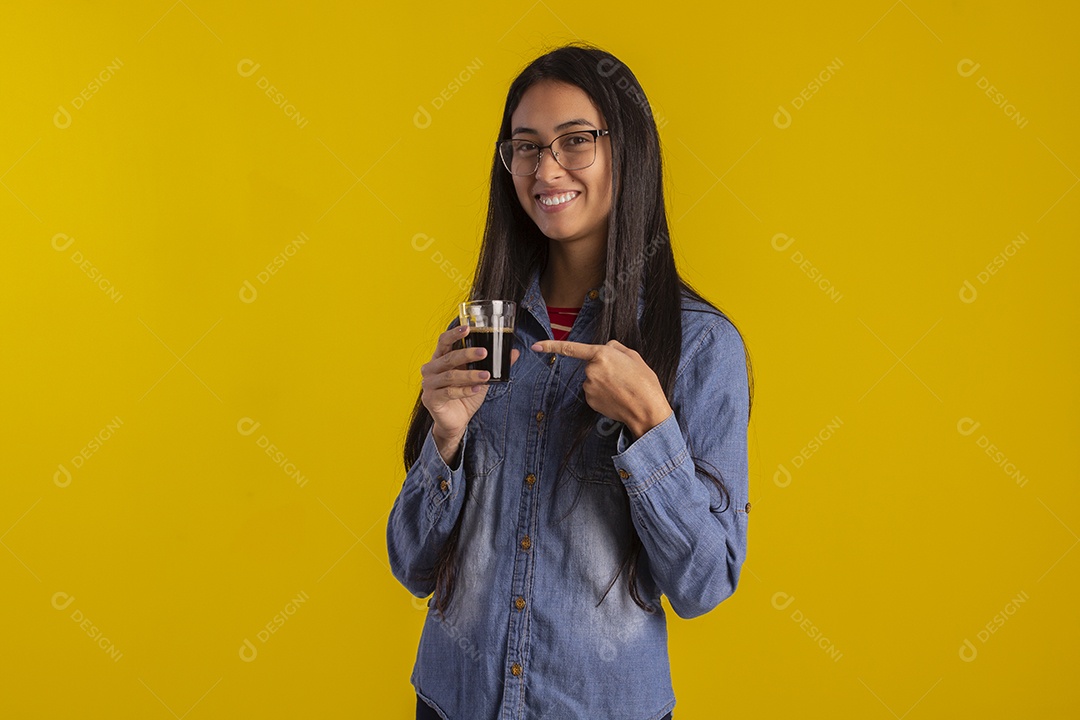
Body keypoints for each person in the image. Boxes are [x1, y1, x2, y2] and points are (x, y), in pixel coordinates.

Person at [387, 41, 754, 720]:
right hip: (450, 703)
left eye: (575, 140)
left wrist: (652, 432)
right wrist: (444, 440)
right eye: (525, 146)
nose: (545, 167)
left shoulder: (700, 346)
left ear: (628, 150)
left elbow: (703, 583)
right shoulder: (481, 334)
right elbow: (411, 565)